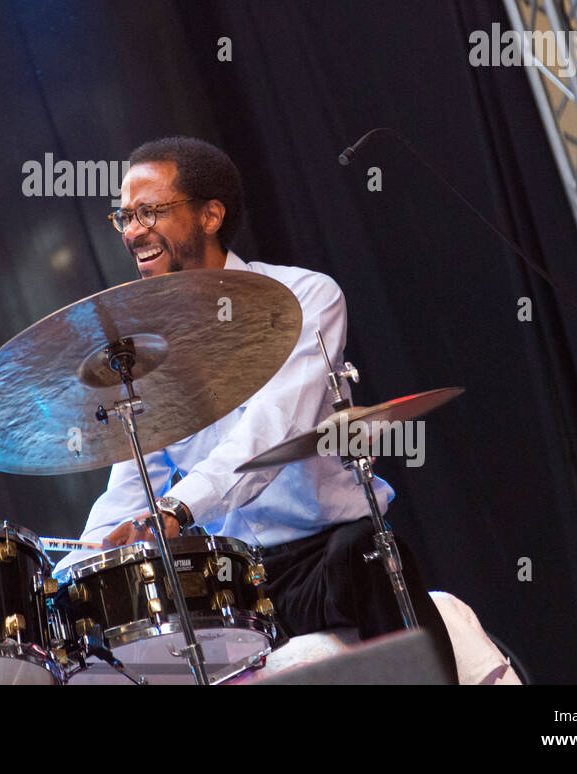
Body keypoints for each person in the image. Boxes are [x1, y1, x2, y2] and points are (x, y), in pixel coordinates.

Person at [59, 135, 457, 677]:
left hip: (326, 557)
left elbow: (273, 429)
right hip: (235, 579)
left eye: (149, 212)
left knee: (368, 548)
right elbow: (132, 490)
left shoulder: (304, 298)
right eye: (124, 217)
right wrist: (67, 574)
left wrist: (179, 509)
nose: (132, 231)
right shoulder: (141, 353)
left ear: (210, 215)